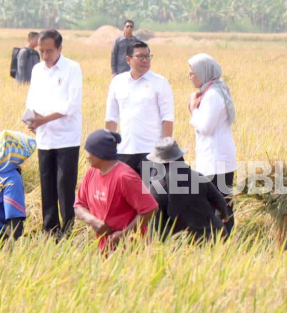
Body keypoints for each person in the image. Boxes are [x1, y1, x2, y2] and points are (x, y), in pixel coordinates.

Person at [25, 29, 82, 237]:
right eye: (42, 51)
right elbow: (31, 99)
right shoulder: (38, 70)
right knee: (46, 185)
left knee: (64, 185)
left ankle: (67, 230)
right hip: (44, 137)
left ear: (60, 48)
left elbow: (71, 105)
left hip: (67, 137)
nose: (46, 56)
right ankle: (50, 229)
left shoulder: (72, 68)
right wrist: (32, 118)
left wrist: (44, 119)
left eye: (49, 51)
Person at [74, 130, 158, 251]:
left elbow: (150, 209)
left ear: (101, 154)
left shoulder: (125, 177)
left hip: (133, 249)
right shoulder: (92, 173)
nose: (86, 156)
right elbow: (78, 206)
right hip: (105, 248)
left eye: (90, 152)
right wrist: (94, 221)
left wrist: (123, 234)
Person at [105, 40, 174, 176]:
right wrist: (108, 147)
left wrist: (165, 151)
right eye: (140, 56)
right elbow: (111, 117)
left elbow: (167, 118)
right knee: (125, 195)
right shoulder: (118, 82)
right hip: (125, 151)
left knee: (152, 195)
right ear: (128, 59)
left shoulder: (160, 82)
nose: (145, 60)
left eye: (148, 56)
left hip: (152, 152)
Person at [187, 53, 237, 235]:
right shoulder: (212, 90)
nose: (190, 77)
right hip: (217, 158)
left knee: (220, 202)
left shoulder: (213, 95)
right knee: (221, 201)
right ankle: (220, 237)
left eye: (192, 73)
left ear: (203, 72)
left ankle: (222, 238)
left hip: (217, 160)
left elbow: (206, 127)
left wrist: (193, 109)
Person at [146, 138, 232, 242]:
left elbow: (155, 223)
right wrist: (223, 216)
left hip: (185, 245)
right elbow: (221, 202)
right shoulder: (199, 177)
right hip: (216, 237)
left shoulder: (157, 188)